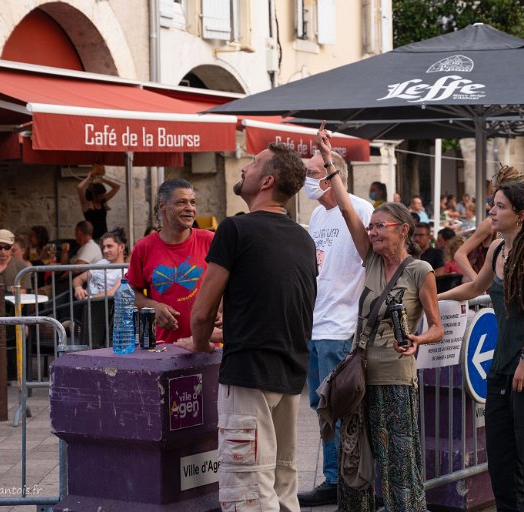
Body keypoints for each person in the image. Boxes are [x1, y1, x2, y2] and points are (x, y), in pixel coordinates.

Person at [178, 142, 316, 512]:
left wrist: (201, 342)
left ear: (267, 180)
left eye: (252, 164)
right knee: (283, 483)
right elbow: (283, 303)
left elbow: (202, 311)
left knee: (248, 490)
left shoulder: (235, 229)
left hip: (249, 373)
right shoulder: (302, 237)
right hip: (289, 375)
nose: (243, 169)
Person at [319, 124, 443, 511]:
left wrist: (420, 340)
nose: (371, 231)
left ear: (403, 230)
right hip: (361, 377)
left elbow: (437, 326)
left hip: (396, 379)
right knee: (356, 458)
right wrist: (328, 161)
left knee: (398, 462)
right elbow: (344, 207)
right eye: (370, 225)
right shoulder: (370, 258)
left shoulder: (420, 270)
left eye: (379, 226)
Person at [439, 181, 524, 511]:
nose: (491, 210)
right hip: (501, 370)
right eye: (492, 204)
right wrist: (431, 299)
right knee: (502, 460)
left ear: (520, 215)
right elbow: (473, 288)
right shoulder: (496, 249)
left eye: (500, 206)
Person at [296, 149, 373, 507]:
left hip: (340, 326)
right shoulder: (315, 214)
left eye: (313, 171)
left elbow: (365, 259)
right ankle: (334, 478)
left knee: (340, 410)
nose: (307, 179)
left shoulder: (358, 208)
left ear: (331, 173)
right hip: (315, 324)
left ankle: (345, 481)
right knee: (320, 407)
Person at [126, 179, 214, 344]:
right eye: (182, 202)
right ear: (162, 206)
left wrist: (223, 310)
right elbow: (129, 292)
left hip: (206, 347)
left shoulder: (209, 240)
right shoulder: (144, 247)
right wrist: (152, 306)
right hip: (163, 348)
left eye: (192, 202)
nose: (190, 208)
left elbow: (233, 282)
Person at [454, 164, 524, 281]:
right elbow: (460, 254)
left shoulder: (520, 223)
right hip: (483, 292)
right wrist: (477, 281)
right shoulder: (490, 223)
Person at [73, 228, 128, 300]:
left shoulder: (125, 271)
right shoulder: (102, 262)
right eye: (104, 247)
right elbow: (78, 278)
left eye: (109, 246)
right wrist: (78, 288)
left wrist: (88, 298)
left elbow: (113, 293)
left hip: (101, 307)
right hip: (84, 305)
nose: (105, 250)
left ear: (121, 247)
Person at [77, 164, 120, 240]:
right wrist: (88, 178)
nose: (103, 196)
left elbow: (117, 187)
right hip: (92, 239)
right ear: (94, 195)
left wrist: (102, 179)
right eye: (101, 195)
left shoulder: (103, 202)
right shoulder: (86, 205)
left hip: (103, 238)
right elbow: (79, 188)